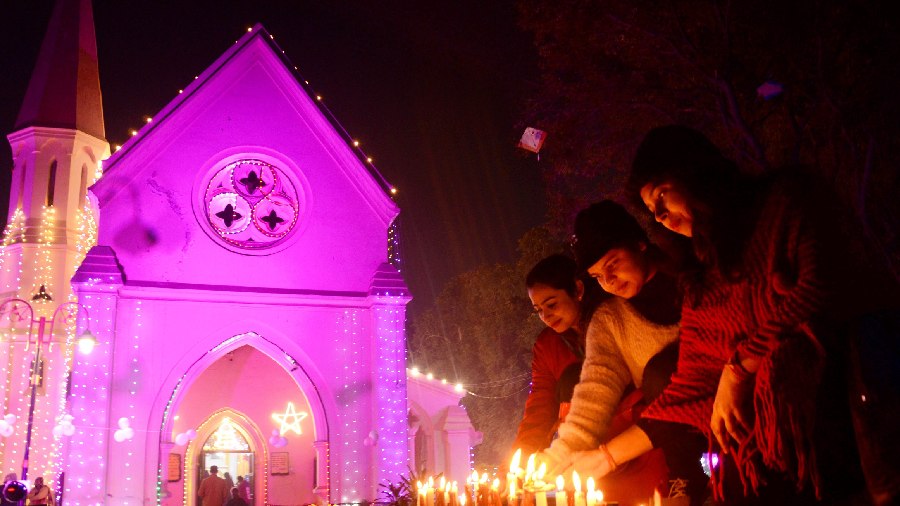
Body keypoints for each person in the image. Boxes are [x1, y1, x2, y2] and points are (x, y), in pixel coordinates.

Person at [570, 125, 893, 504]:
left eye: (661, 197)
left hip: (852, 399)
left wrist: (739, 366)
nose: (661, 217)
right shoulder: (701, 276)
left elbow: (821, 283)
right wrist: (603, 458)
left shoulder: (785, 202)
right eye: (652, 213)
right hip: (771, 445)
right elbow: (691, 380)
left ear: (693, 172)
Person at [540, 200, 701, 506]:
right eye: (599, 276)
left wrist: (609, 457)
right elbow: (595, 389)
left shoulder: (693, 279)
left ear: (639, 243)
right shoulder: (610, 320)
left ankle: (687, 475)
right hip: (669, 427)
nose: (609, 281)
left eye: (612, 263)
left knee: (659, 372)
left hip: (725, 400)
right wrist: (562, 451)